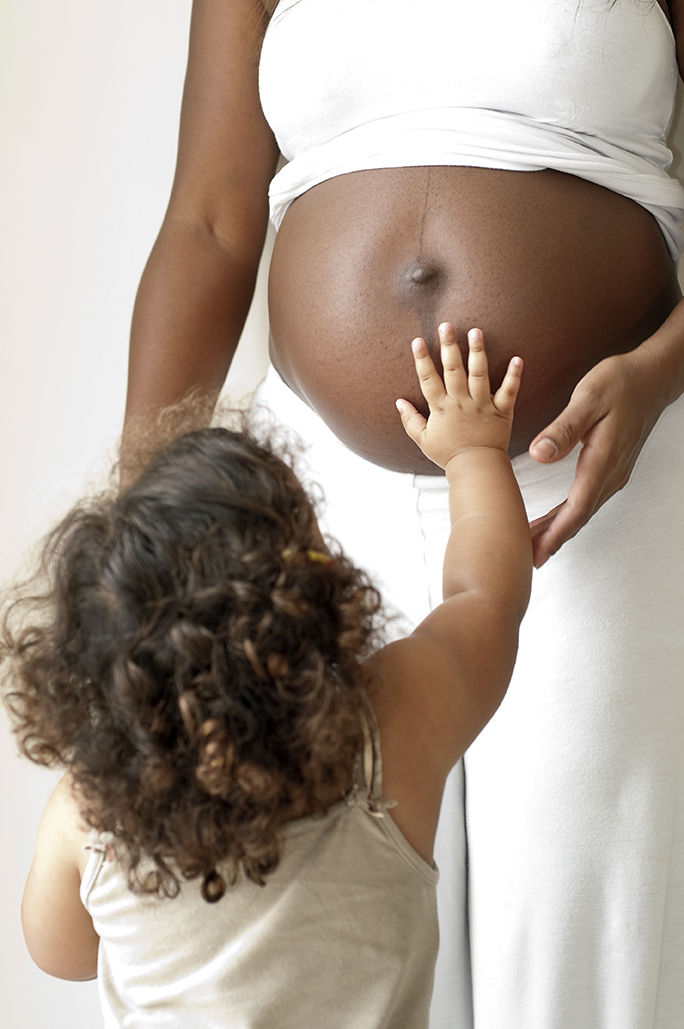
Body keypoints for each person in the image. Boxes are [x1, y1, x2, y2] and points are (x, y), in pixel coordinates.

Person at [120, 2, 684, 1026]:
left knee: (574, 918)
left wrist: (658, 371)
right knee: (329, 920)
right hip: (318, 495)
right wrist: (137, 531)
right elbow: (208, 222)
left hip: (592, 479)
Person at [2, 331, 529, 1027]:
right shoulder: (389, 729)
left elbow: (58, 951)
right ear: (314, 597)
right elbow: (485, 597)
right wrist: (473, 455)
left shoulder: (91, 812)